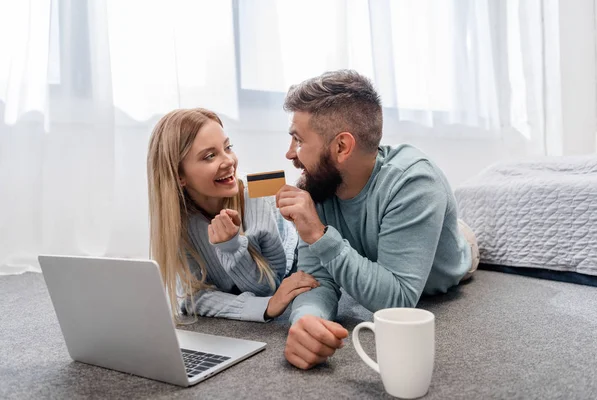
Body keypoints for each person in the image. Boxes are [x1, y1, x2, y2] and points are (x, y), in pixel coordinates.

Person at [276, 70, 480, 369]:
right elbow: (316, 280)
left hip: (449, 263)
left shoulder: (414, 182)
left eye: (298, 140)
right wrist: (308, 320)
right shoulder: (317, 184)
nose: (289, 153)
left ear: (342, 147)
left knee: (465, 242)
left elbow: (397, 301)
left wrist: (319, 235)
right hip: (374, 252)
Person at [147, 108, 318, 323]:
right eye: (210, 156)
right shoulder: (179, 223)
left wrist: (231, 246)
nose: (229, 161)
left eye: (228, 147)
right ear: (179, 175)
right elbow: (193, 298)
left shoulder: (257, 198)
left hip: (298, 288)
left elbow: (267, 286)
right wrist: (263, 307)